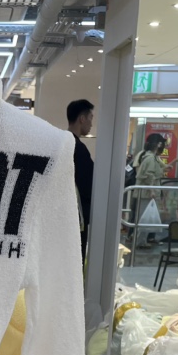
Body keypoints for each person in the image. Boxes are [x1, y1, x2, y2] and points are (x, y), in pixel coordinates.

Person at [66, 99, 94, 260]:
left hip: (63, 213)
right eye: (90, 118)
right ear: (82, 119)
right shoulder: (79, 148)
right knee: (76, 258)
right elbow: (87, 185)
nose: (91, 124)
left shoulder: (62, 143)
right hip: (77, 215)